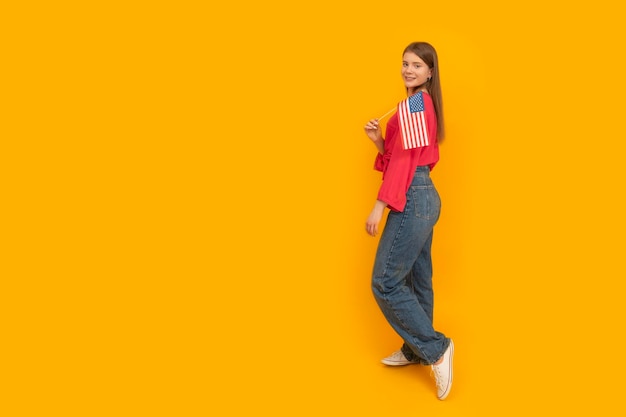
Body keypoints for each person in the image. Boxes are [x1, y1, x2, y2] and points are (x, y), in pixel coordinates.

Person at [363, 41, 454, 400]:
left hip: (413, 196)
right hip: (423, 194)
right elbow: (411, 156)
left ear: (430, 72)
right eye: (405, 63)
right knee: (417, 278)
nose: (408, 70)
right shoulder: (421, 105)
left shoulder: (416, 104)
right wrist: (378, 141)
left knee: (384, 281)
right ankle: (415, 350)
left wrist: (380, 205)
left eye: (417, 65)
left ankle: (436, 348)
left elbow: (405, 165)